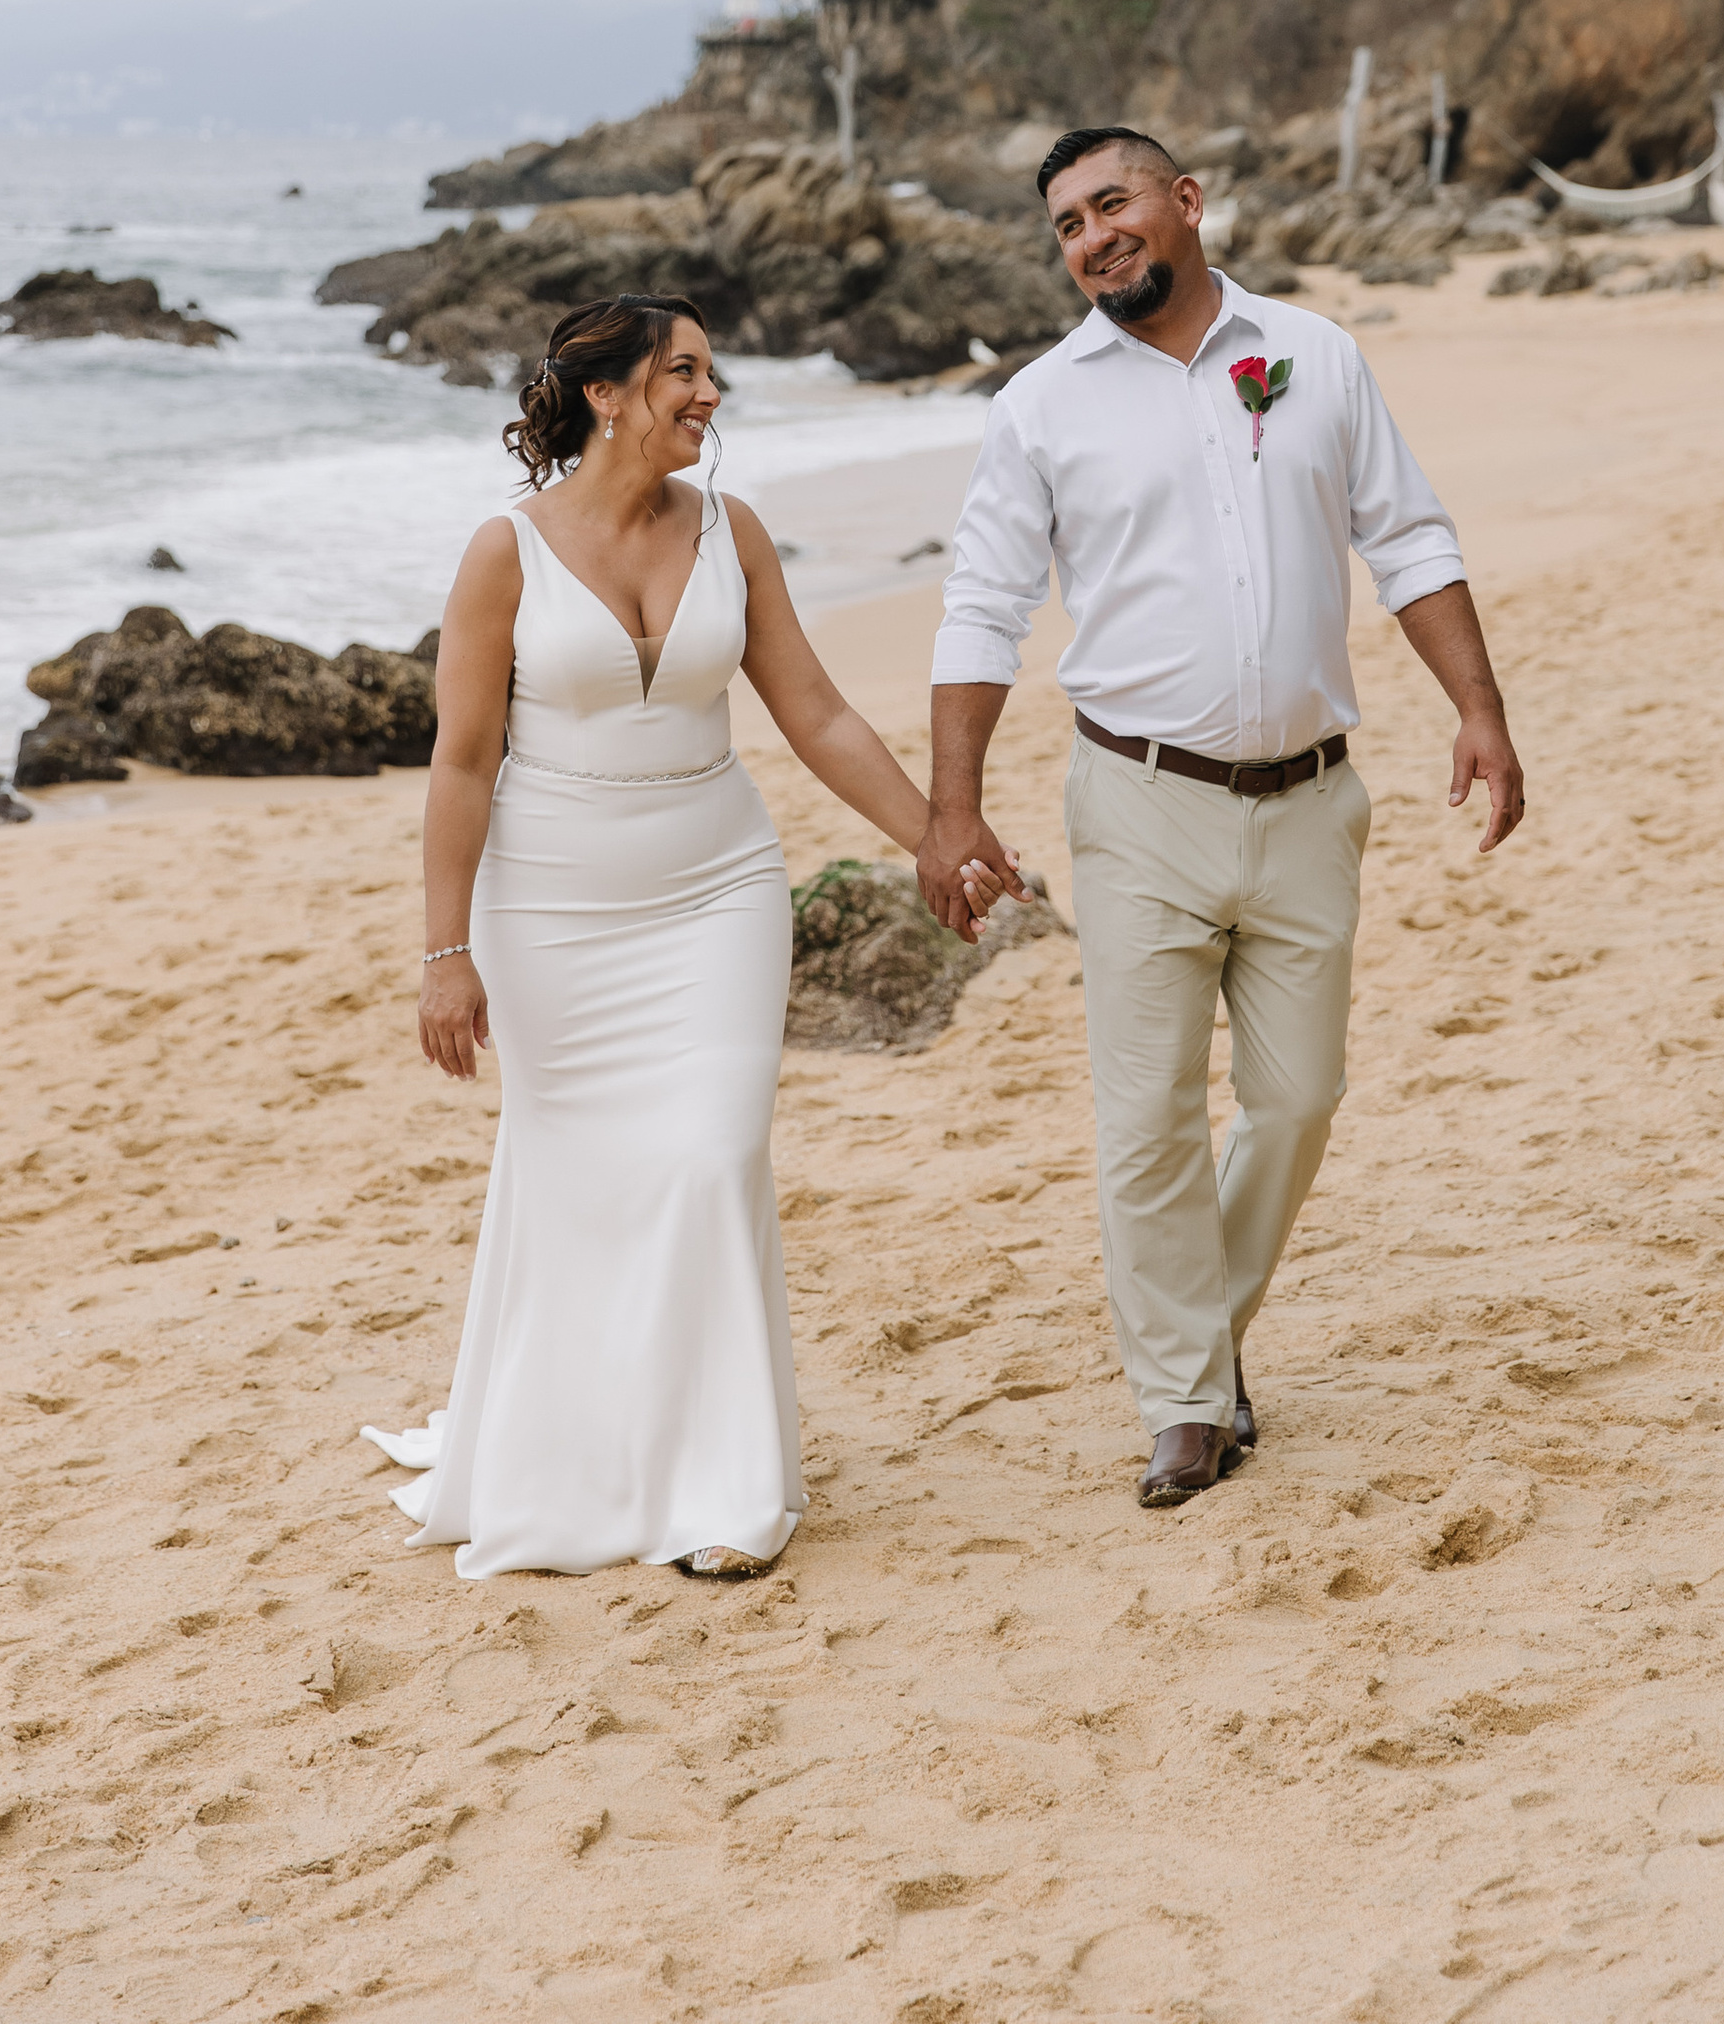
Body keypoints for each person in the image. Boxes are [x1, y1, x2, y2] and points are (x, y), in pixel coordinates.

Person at [919, 128, 1524, 1509]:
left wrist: (1477, 709)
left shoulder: (1317, 355)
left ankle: (1207, 1333)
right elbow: (984, 608)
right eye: (1066, 224)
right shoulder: (1039, 407)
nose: (1092, 237)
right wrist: (952, 808)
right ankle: (1189, 1400)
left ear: (1185, 205)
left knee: (1299, 1099)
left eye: (1112, 204)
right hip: (1135, 802)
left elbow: (1410, 538)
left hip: (1315, 800)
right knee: (1145, 1125)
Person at [362, 291, 975, 1580]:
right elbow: (461, 766)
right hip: (552, 911)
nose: (710, 396)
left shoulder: (730, 531)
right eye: (684, 373)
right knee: (581, 1182)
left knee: (711, 1153)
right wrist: (443, 952)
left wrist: (933, 833)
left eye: (712, 374)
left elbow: (815, 713)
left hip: (718, 888)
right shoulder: (504, 552)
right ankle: (584, 1451)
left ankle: (723, 1483)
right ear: (606, 393)